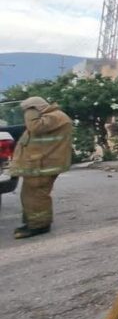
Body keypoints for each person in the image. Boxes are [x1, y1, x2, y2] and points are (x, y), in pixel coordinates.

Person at [9, 96, 73, 239]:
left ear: (36, 107)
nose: (26, 113)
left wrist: (30, 110)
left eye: (29, 110)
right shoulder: (51, 117)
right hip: (38, 165)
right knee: (29, 196)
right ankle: (33, 223)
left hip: (43, 166)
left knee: (36, 197)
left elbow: (34, 127)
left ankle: (40, 226)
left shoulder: (55, 117)